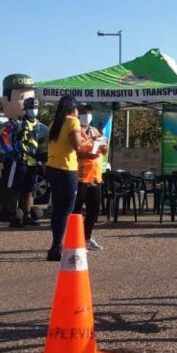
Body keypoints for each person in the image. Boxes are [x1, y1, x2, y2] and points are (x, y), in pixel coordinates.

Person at [0, 97, 48, 228]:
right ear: (25, 109)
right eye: (31, 108)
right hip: (18, 161)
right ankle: (14, 216)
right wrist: (10, 150)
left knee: (29, 190)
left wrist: (43, 159)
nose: (34, 110)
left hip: (33, 163)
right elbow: (2, 136)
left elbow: (41, 146)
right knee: (15, 189)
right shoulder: (16, 123)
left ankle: (27, 214)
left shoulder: (39, 126)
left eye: (35, 108)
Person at [44, 96, 84, 261]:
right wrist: (86, 140)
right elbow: (76, 146)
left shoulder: (54, 123)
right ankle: (56, 248)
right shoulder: (73, 122)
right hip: (66, 169)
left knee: (57, 209)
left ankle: (55, 245)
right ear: (73, 109)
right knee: (65, 211)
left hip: (52, 167)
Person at [73, 105, 108, 251]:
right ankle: (74, 240)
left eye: (88, 113)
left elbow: (101, 148)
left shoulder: (95, 131)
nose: (86, 116)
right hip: (80, 177)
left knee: (94, 210)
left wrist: (103, 147)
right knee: (76, 211)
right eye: (83, 113)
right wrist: (88, 155)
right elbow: (76, 150)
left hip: (95, 176)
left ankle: (87, 238)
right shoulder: (75, 131)